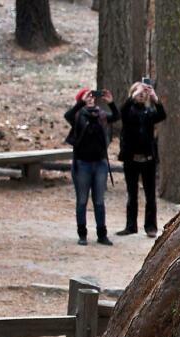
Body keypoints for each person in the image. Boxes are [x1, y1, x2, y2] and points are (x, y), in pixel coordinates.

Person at [64, 87, 118, 246]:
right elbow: (67, 116)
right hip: (82, 164)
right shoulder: (78, 115)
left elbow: (116, 116)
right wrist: (81, 103)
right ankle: (82, 234)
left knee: (99, 201)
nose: (91, 98)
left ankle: (102, 234)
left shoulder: (101, 115)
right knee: (82, 200)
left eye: (92, 96)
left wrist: (111, 102)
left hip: (100, 163)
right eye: (87, 96)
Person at [117, 80, 167, 237]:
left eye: (144, 93)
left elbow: (162, 115)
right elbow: (122, 111)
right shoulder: (128, 112)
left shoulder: (149, 113)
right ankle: (131, 226)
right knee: (132, 195)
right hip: (131, 159)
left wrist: (155, 98)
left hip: (148, 160)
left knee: (150, 195)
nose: (142, 95)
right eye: (140, 93)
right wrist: (134, 94)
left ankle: (151, 227)